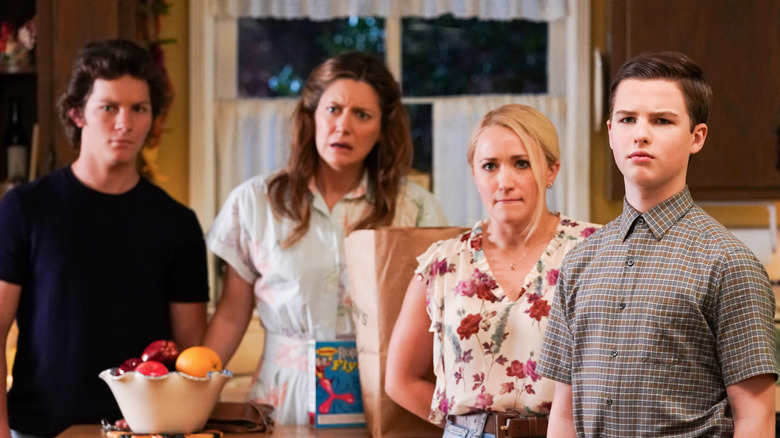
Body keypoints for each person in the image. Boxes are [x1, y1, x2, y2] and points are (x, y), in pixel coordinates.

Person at [537, 51, 777, 437]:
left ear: (696, 137)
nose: (641, 133)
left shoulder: (729, 262)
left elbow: (756, 417)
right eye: (628, 119)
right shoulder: (580, 260)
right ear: (611, 131)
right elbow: (564, 415)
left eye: (662, 120)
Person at [202, 51, 448, 425]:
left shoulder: (416, 209)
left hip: (381, 395)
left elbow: (435, 320)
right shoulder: (255, 201)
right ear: (312, 115)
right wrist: (190, 399)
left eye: (362, 115)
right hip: (280, 396)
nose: (343, 126)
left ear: (382, 128)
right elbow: (232, 314)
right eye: (333, 109)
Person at [0, 39, 209, 438]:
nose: (124, 123)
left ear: (152, 119)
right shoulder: (25, 208)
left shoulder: (177, 223)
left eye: (139, 109)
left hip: (144, 431)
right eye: (109, 107)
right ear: (77, 113)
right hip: (38, 428)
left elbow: (190, 356)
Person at [385, 104, 599, 438]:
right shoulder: (443, 263)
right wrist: (471, 429)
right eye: (490, 166)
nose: (504, 181)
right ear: (475, 173)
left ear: (551, 171)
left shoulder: (596, 252)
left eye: (521, 163)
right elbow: (400, 380)